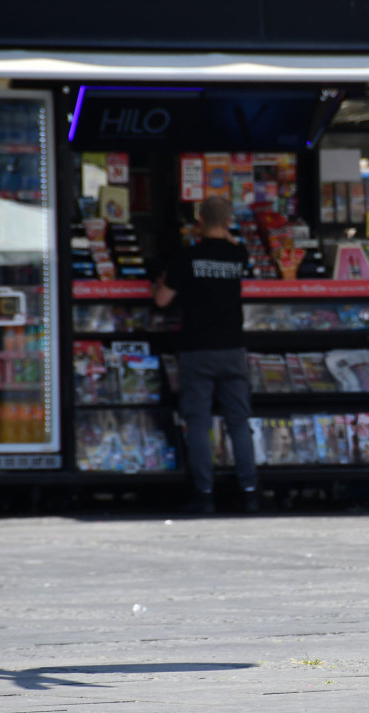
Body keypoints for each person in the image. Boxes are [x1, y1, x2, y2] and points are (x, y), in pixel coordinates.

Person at [154, 195, 258, 514]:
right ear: (228, 223)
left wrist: (161, 280)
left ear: (198, 222)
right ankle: (250, 492)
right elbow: (234, 243)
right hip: (232, 348)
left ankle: (204, 493)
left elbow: (161, 300)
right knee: (239, 421)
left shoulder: (187, 258)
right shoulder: (238, 254)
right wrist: (225, 232)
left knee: (198, 422)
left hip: (197, 348)